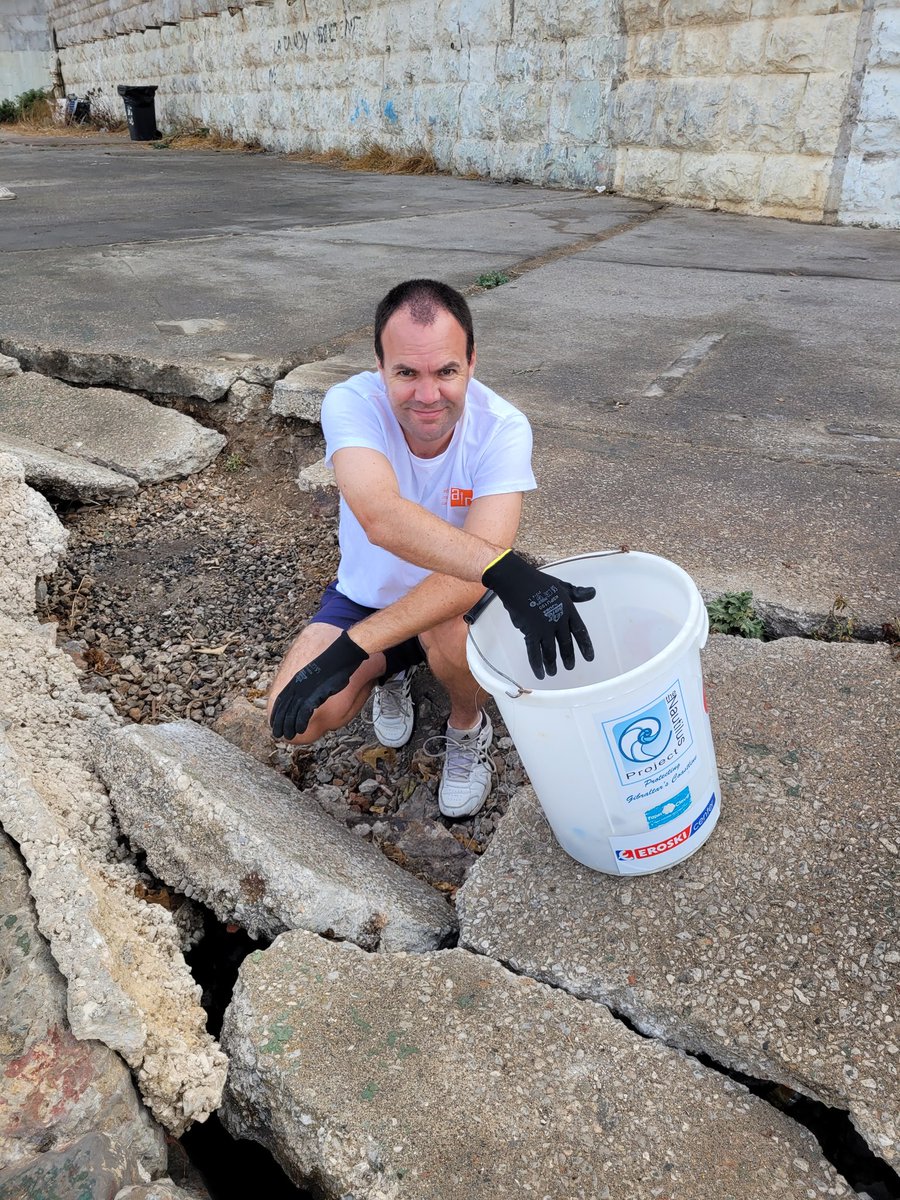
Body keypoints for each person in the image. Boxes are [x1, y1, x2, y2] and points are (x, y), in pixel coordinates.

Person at [268, 279, 594, 818]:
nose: (427, 395)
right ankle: (391, 670)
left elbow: (477, 572)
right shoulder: (351, 403)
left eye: (446, 371)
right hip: (367, 596)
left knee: (446, 627)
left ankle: (466, 724)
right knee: (297, 722)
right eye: (406, 373)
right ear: (380, 367)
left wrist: (354, 647)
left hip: (451, 603)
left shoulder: (503, 428)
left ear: (471, 362)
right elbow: (380, 516)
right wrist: (511, 575)